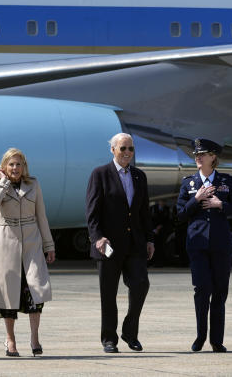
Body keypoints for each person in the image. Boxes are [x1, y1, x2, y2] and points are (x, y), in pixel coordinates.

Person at [85, 133, 154, 354]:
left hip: (135, 243)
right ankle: (109, 339)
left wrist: (149, 238)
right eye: (123, 148)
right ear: (113, 150)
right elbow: (92, 212)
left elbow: (144, 211)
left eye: (131, 149)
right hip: (108, 245)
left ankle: (130, 332)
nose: (127, 153)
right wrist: (97, 238)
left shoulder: (139, 176)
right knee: (109, 293)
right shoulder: (100, 175)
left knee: (141, 284)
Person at [0, 148, 55, 357]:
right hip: (6, 243)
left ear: (24, 167)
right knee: (8, 296)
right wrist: (3, 182)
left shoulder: (33, 184)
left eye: (19, 164)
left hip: (32, 243)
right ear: (5, 166)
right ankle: (10, 340)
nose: (15, 168)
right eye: (11, 164)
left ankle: (34, 339)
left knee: (36, 291)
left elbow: (41, 216)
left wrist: (49, 245)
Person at [176, 138, 232, 353]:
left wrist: (220, 204)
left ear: (213, 157)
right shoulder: (189, 183)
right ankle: (200, 336)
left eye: (202, 154)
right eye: (196, 154)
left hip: (221, 245)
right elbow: (180, 215)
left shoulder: (226, 181)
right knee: (202, 290)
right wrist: (197, 199)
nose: (198, 157)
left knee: (220, 292)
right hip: (198, 245)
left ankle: (217, 340)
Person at [149, 199, 173, 266]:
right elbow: (150, 219)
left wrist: (161, 226)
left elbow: (168, 221)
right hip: (153, 230)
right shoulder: (153, 208)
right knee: (153, 246)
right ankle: (152, 262)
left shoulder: (167, 209)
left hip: (162, 231)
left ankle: (160, 262)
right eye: (161, 201)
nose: (162, 203)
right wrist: (154, 229)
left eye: (163, 201)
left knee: (161, 247)